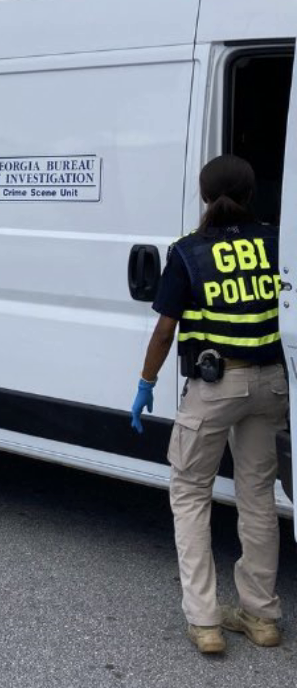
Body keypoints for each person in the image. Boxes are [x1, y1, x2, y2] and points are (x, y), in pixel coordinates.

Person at [131, 155, 289, 655]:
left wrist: (145, 382)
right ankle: (261, 615)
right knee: (258, 497)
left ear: (204, 195)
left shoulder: (189, 252)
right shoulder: (276, 242)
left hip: (215, 386)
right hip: (272, 386)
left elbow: (164, 330)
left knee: (190, 492)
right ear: (251, 193)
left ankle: (205, 621)